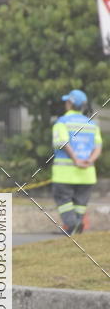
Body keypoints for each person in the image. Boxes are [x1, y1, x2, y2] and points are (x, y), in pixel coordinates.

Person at [52, 89, 102, 234]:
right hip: (87, 174)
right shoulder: (92, 124)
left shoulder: (62, 122)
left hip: (65, 174)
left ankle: (72, 224)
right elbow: (97, 147)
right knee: (80, 203)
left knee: (63, 199)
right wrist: (89, 161)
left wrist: (76, 160)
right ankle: (76, 229)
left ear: (69, 103)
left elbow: (62, 142)